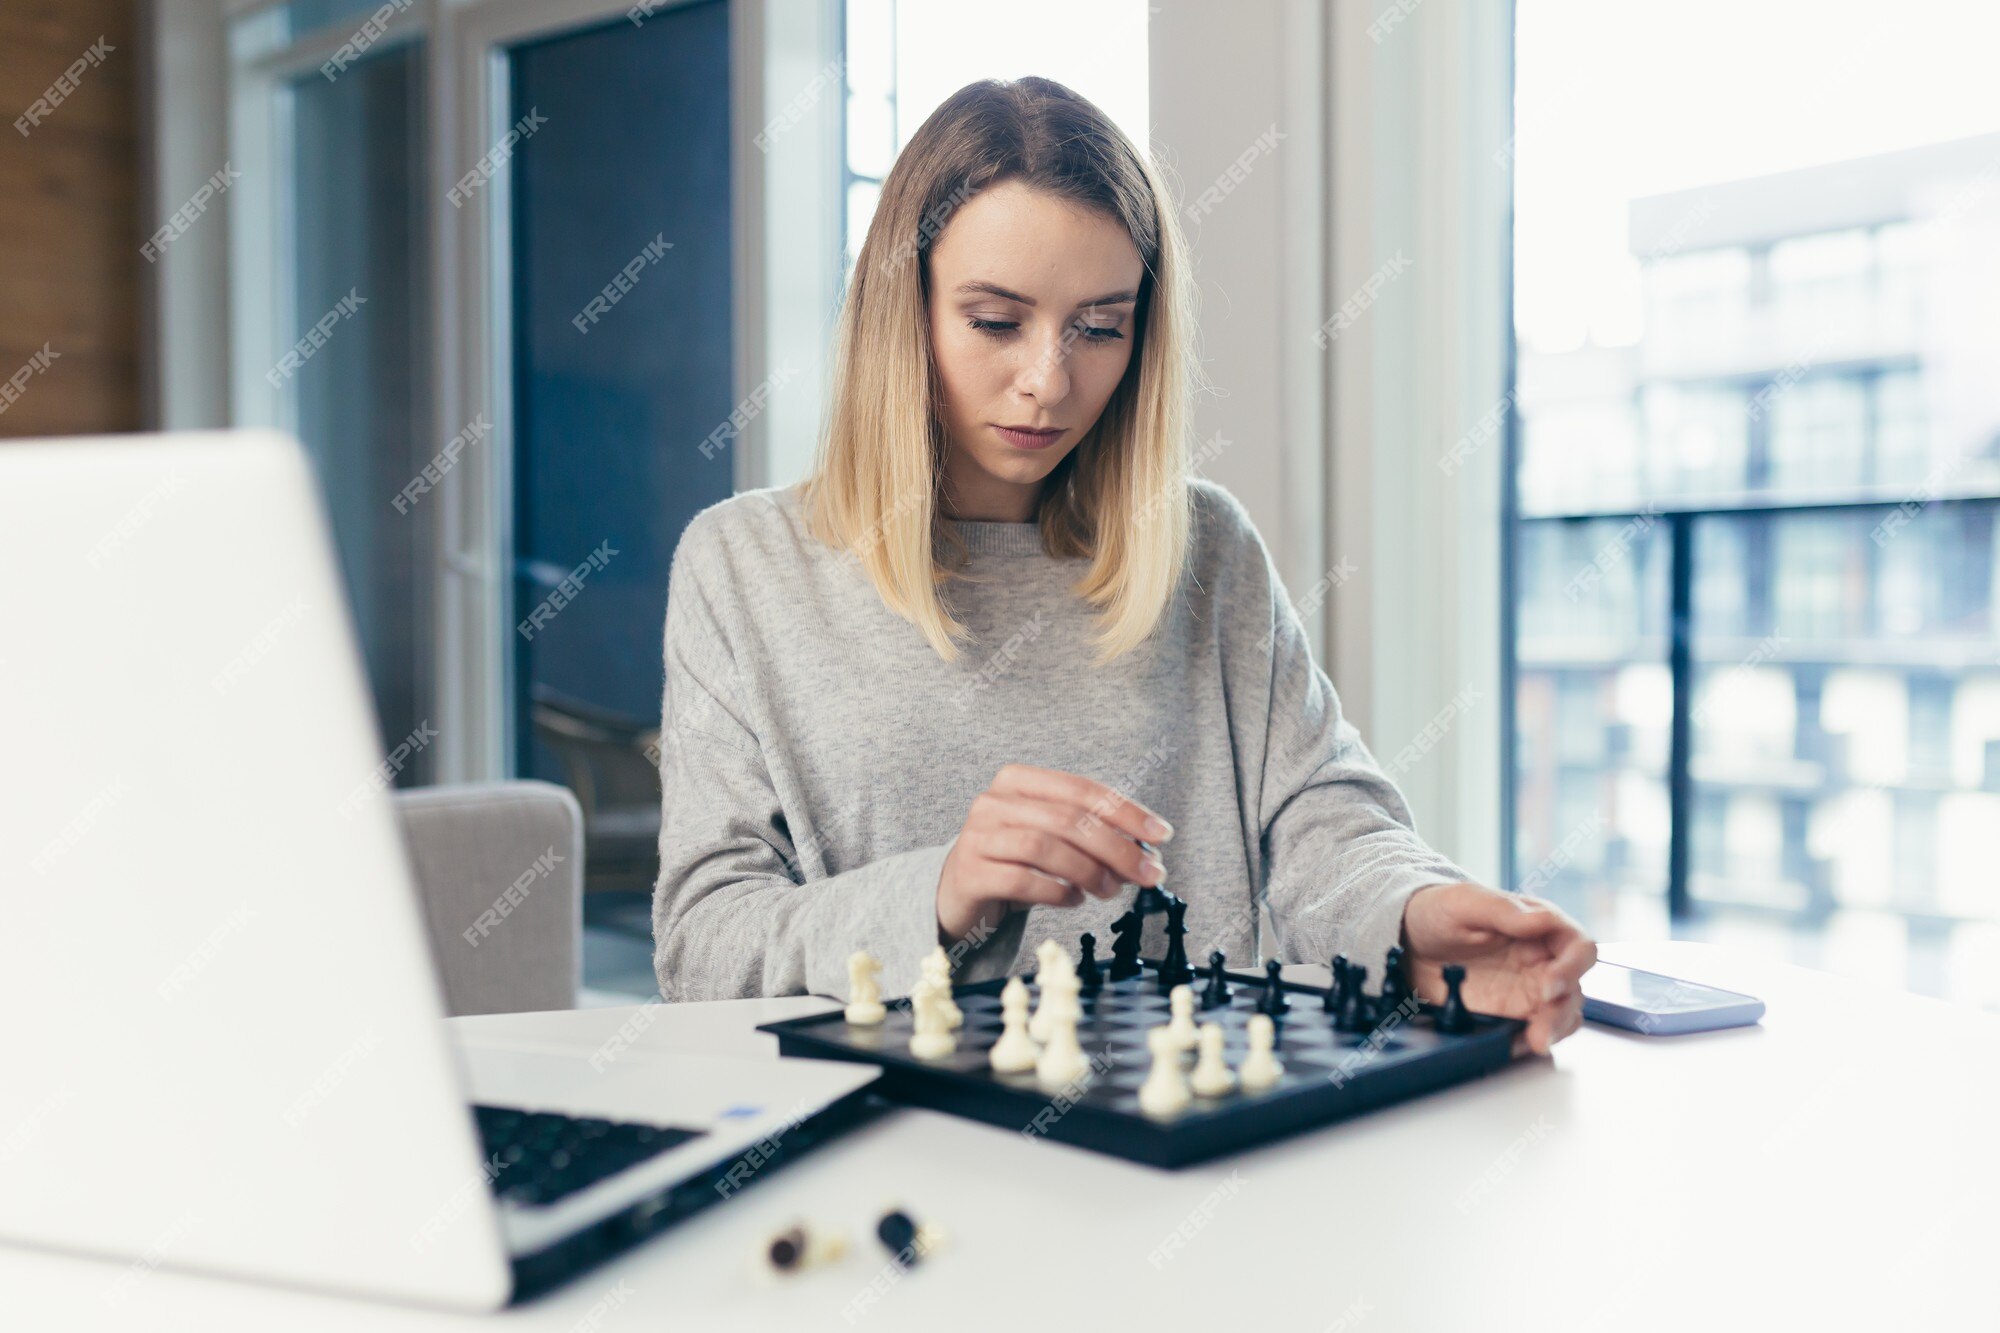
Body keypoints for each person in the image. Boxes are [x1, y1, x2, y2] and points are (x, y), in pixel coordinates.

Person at [651, 76, 1594, 1055]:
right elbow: (702, 948)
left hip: (1181, 1141)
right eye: (993, 320)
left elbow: (1319, 817)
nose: (1048, 380)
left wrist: (1413, 913)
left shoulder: (1208, 549)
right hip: (879, 1133)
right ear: (905, 306)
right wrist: (940, 890)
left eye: (1099, 326)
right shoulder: (743, 565)